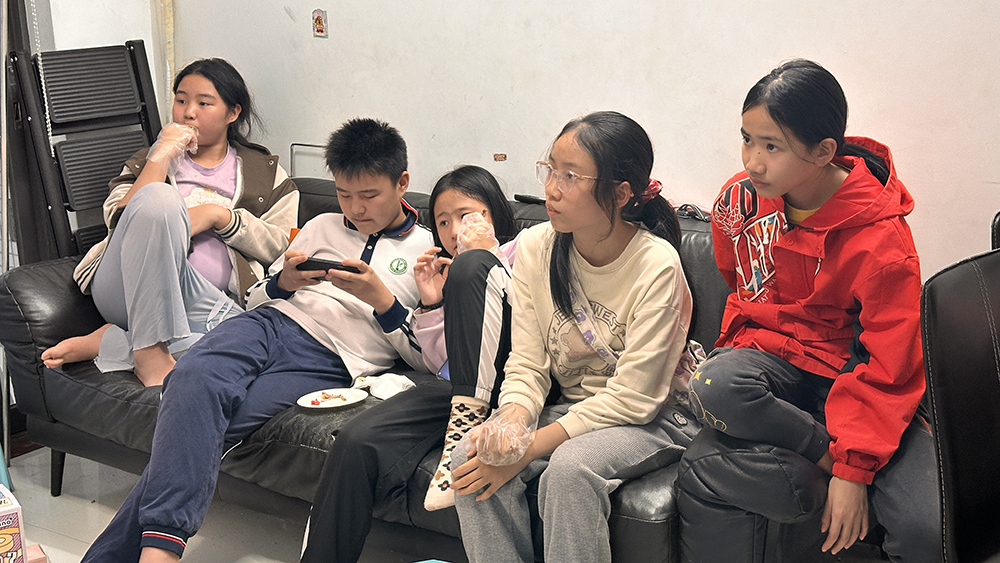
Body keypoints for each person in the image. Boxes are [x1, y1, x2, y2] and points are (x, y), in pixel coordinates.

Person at [80, 117, 433, 563]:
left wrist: (382, 300)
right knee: (192, 377)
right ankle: (160, 554)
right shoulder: (321, 225)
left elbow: (425, 357)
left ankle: (134, 554)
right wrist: (284, 282)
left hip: (330, 359)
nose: (356, 208)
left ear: (402, 182)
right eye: (344, 194)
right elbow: (253, 297)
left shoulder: (425, 251)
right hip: (267, 323)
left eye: (369, 195)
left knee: (212, 427)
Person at [676, 59, 941, 563]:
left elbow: (889, 364)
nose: (753, 162)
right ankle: (829, 457)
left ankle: (852, 467)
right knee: (713, 383)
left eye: (771, 146)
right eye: (747, 140)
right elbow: (739, 285)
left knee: (928, 527)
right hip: (773, 367)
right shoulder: (739, 202)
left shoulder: (883, 241)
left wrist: (856, 470)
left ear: (823, 152)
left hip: (851, 378)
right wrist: (839, 465)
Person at [450, 111, 699, 563]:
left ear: (621, 193)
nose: (551, 188)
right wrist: (512, 418)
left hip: (656, 416)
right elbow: (527, 362)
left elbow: (634, 399)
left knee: (570, 470)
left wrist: (528, 448)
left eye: (570, 176)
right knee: (470, 454)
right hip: (578, 409)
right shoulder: (535, 247)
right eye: (550, 170)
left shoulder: (657, 266)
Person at [301, 164, 517, 563]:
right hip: (452, 390)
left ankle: (464, 430)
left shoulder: (522, 253)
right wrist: (432, 303)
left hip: (512, 389)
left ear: (495, 214)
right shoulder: (448, 272)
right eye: (443, 221)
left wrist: (488, 258)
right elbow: (438, 364)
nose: (454, 230)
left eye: (468, 215)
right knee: (355, 440)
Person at [41, 58, 298, 387]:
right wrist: (160, 156)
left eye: (204, 103)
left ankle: (116, 343)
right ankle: (149, 353)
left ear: (233, 113)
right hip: (128, 289)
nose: (188, 113)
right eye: (181, 100)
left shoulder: (266, 172)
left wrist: (219, 216)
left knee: (259, 348)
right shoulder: (145, 163)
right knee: (159, 198)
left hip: (209, 302)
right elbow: (119, 221)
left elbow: (281, 245)